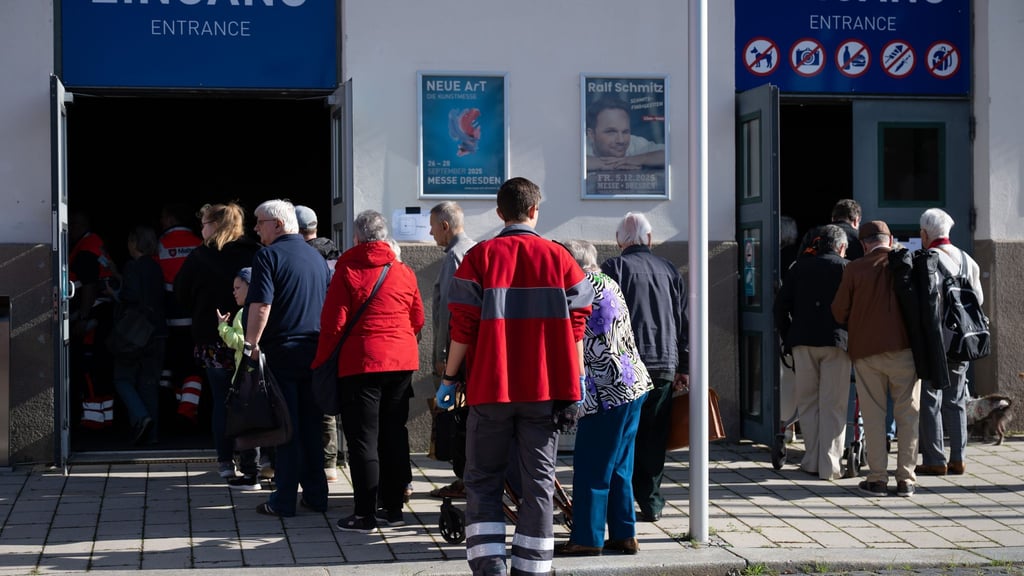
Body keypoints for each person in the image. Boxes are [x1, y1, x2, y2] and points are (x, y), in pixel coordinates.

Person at [438, 177, 593, 576]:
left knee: (483, 478)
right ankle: (532, 568)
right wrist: (575, 381)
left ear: (499, 213)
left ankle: (490, 567)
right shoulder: (561, 259)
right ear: (535, 211)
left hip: (491, 389)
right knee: (539, 481)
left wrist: (449, 378)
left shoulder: (480, 257)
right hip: (546, 391)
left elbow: (463, 327)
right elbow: (579, 323)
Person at [312, 209, 424, 531]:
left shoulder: (347, 267)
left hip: (361, 364)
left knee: (364, 440)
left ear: (357, 238)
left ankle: (364, 514)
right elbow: (418, 319)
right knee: (394, 433)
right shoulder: (402, 270)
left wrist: (320, 361)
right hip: (401, 362)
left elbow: (333, 324)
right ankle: (394, 509)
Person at [554, 239, 652, 557]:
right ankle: (624, 534)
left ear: (572, 263)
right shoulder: (607, 280)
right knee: (620, 465)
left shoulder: (581, 287)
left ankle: (588, 537)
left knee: (592, 465)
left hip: (606, 390)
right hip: (631, 382)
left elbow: (572, 336)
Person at [600, 211, 688, 523]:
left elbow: (604, 318)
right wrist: (684, 365)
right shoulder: (668, 269)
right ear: (649, 239)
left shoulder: (613, 267)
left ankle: (620, 504)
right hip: (664, 362)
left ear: (618, 241)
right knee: (654, 437)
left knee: (623, 437)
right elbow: (683, 321)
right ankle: (651, 502)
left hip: (627, 365)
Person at [245, 199, 330, 517]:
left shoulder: (267, 256)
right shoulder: (316, 257)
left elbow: (261, 306)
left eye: (259, 222)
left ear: (278, 224)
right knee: (311, 428)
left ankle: (283, 501)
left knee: (286, 428)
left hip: (282, 354)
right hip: (314, 351)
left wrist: (250, 345)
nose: (256, 229)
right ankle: (317, 496)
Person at [831, 220, 920, 497]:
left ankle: (878, 479)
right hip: (906, 351)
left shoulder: (854, 269)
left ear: (863, 243)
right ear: (890, 239)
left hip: (867, 352)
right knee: (908, 415)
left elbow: (838, 311)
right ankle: (906, 479)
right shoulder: (909, 264)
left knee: (873, 415)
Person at [175, 203, 262, 482]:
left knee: (222, 402)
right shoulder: (254, 253)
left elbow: (180, 293)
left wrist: (202, 309)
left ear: (216, 226)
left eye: (204, 224)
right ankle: (254, 463)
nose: (201, 229)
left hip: (213, 339)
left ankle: (225, 462)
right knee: (250, 399)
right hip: (249, 336)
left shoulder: (200, 256)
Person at [773, 224, 850, 480]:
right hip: (836, 343)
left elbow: (779, 308)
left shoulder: (798, 268)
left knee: (808, 403)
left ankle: (811, 461)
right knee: (833, 405)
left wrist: (788, 337)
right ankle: (829, 465)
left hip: (803, 342)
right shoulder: (845, 268)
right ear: (840, 246)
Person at [915, 208, 981, 477]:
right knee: (955, 398)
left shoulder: (924, 259)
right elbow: (978, 301)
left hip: (935, 341)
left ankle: (934, 459)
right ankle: (959, 458)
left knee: (931, 397)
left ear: (924, 234)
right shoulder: (968, 260)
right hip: (961, 341)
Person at [426, 201, 476, 500]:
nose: (431, 234)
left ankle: (465, 480)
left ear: (445, 226)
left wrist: (444, 358)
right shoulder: (471, 250)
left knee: (459, 420)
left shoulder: (456, 257)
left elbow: (449, 313)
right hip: (471, 351)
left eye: (433, 228)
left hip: (459, 356)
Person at [295, 205, 344, 483]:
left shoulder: (305, 257)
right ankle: (332, 462)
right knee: (329, 398)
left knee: (313, 399)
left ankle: (320, 461)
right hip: (333, 334)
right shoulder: (334, 253)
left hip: (312, 332)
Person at [110, 225, 168, 446]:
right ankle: (151, 436)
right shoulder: (155, 266)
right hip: (159, 332)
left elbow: (131, 296)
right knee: (149, 384)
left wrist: (114, 293)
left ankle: (141, 418)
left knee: (122, 379)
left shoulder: (132, 267)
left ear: (134, 243)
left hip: (135, 335)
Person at [68, 211, 118, 430]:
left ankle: (93, 421)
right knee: (101, 368)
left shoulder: (85, 250)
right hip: (105, 315)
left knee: (88, 368)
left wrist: (83, 317)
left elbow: (88, 286)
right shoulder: (96, 245)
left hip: (93, 318)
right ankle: (105, 418)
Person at [156, 203, 204, 423]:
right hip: (194, 316)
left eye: (164, 217)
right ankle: (188, 408)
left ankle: (174, 407)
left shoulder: (161, 244)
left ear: (171, 218)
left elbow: (155, 281)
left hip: (169, 317)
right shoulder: (199, 244)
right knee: (192, 364)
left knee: (172, 363)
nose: (161, 222)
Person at [585, 96, 665, 172]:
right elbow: (572, 157)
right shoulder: (582, 145)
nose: (621, 140)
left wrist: (639, 159)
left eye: (625, 132)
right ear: (591, 135)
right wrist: (600, 163)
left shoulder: (636, 143)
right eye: (611, 132)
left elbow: (669, 154)